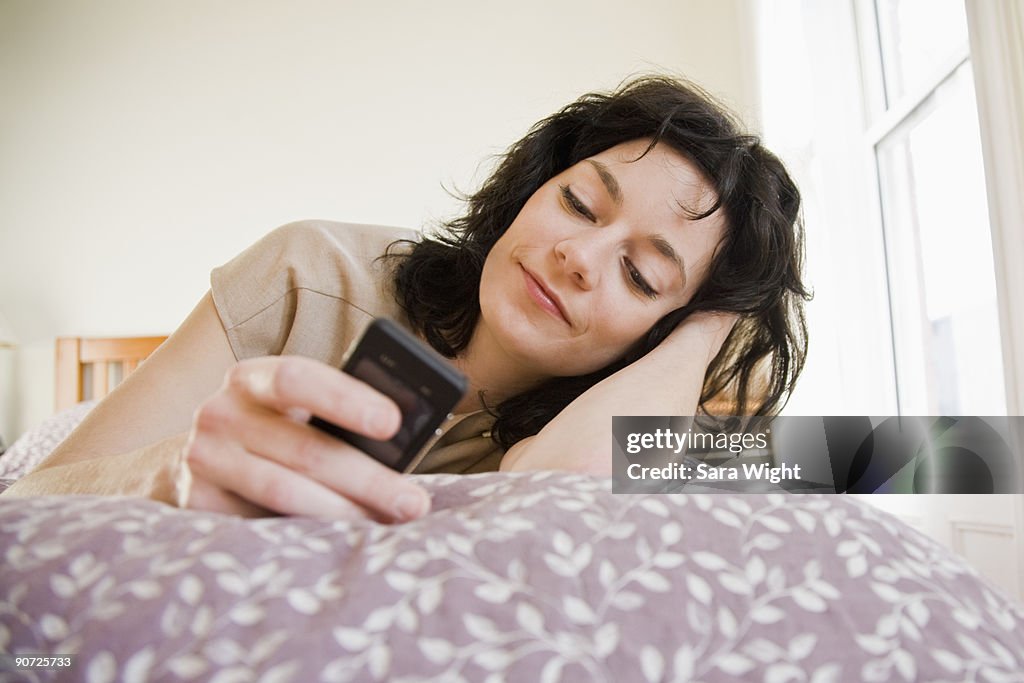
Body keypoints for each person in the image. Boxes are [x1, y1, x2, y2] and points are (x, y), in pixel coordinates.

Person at [3, 76, 810, 522]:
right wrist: (163, 471)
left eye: (642, 276)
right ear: (532, 189)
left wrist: (720, 319)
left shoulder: (659, 425)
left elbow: (553, 491)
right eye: (577, 203)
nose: (577, 255)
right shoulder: (309, 274)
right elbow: (31, 502)